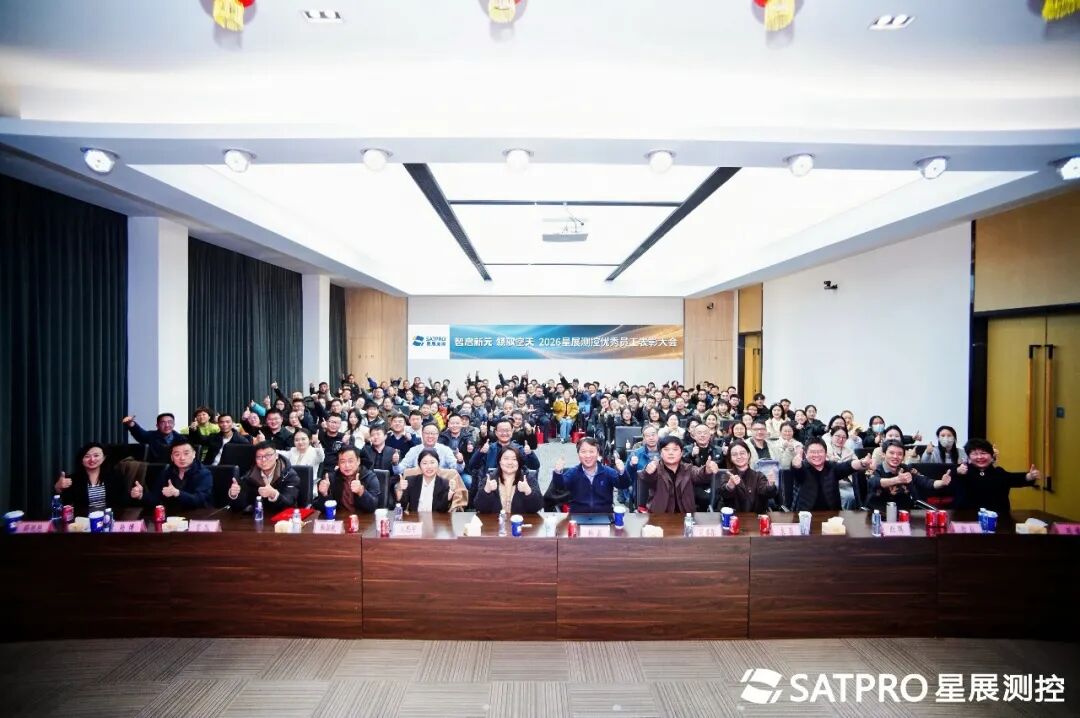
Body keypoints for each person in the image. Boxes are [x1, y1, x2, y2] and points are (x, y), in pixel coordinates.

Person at [947, 438, 1041, 516]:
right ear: (969, 458)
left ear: (992, 456)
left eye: (984, 453)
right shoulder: (962, 471)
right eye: (975, 454)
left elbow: (1014, 478)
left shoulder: (999, 472)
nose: (979, 457)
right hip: (966, 519)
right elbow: (949, 480)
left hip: (997, 520)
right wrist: (957, 472)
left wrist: (1029, 476)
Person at [637, 435, 721, 514]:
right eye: (666, 449)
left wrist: (707, 470)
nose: (670, 453)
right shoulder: (655, 469)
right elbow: (646, 477)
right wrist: (648, 472)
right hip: (659, 515)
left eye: (675, 449)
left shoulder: (688, 468)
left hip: (686, 516)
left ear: (681, 453)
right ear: (661, 453)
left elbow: (699, 474)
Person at [550, 437, 632, 514]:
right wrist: (557, 473)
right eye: (583, 452)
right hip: (578, 516)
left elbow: (624, 485)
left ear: (598, 454)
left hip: (604, 516)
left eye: (591, 451)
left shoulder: (607, 472)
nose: (588, 455)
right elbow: (559, 487)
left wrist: (622, 471)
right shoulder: (573, 473)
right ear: (578, 454)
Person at [788, 439, 873, 511]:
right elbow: (797, 472)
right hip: (805, 515)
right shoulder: (802, 467)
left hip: (832, 515)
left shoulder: (831, 467)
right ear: (806, 454)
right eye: (812, 452)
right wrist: (796, 465)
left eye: (820, 451)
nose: (817, 455)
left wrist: (862, 463)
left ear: (826, 453)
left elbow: (848, 466)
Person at [129, 439, 211, 512]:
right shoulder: (167, 472)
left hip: (198, 516)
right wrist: (141, 496)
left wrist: (178, 493)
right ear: (172, 457)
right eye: (177, 454)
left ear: (194, 454)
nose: (182, 458)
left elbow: (199, 500)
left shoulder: (204, 473)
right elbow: (156, 498)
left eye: (186, 453)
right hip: (172, 517)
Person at [866, 440, 946, 511]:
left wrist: (942, 482)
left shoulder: (906, 469)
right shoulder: (875, 469)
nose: (895, 457)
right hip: (878, 512)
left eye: (900, 454)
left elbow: (925, 481)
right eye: (891, 453)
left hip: (905, 512)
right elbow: (874, 482)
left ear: (903, 457)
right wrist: (897, 480)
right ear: (883, 454)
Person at [54, 443, 127, 517]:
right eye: (87, 456)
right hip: (83, 521)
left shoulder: (115, 477)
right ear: (81, 459)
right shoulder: (72, 479)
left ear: (104, 458)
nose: (92, 459)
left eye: (96, 455)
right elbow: (64, 505)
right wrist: (58, 489)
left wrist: (135, 496)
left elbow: (123, 502)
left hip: (109, 519)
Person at [227, 443, 300, 514]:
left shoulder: (290, 476)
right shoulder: (249, 476)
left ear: (276, 456)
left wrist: (274, 494)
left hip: (283, 519)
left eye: (268, 455)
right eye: (259, 457)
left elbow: (289, 504)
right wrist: (234, 495)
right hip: (257, 518)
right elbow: (238, 508)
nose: (263, 460)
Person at [474, 445, 543, 515]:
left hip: (521, 521)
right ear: (499, 461)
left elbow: (538, 507)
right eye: (506, 458)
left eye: (514, 459)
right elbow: (479, 507)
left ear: (519, 462)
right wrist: (486, 491)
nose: (510, 462)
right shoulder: (489, 479)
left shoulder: (528, 479)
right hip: (495, 521)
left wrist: (528, 492)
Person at [313, 446, 381, 514]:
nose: (347, 465)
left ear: (358, 461)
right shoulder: (331, 478)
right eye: (342, 462)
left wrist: (361, 492)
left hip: (363, 518)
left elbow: (373, 507)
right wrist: (324, 495)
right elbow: (320, 509)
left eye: (350, 461)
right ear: (338, 463)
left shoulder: (370, 477)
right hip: (339, 518)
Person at [718, 439, 778, 514]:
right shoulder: (726, 475)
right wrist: (730, 486)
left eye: (742, 453)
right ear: (731, 458)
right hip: (733, 517)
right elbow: (723, 495)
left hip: (755, 517)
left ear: (748, 454)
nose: (739, 457)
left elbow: (767, 493)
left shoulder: (759, 476)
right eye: (734, 454)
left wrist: (770, 485)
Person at [395, 449, 456, 513]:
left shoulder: (444, 483)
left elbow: (443, 511)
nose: (429, 467)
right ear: (419, 465)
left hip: (435, 519)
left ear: (438, 464)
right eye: (424, 463)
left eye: (432, 462)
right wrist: (400, 492)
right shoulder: (411, 481)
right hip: (415, 518)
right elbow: (401, 507)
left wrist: (449, 495)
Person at [396, 423, 465, 477]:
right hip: (418, 483)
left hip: (440, 483)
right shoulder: (414, 450)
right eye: (427, 433)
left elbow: (458, 469)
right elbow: (399, 470)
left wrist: (460, 461)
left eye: (433, 433)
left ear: (438, 435)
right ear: (422, 434)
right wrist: (395, 463)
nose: (430, 436)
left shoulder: (445, 450)